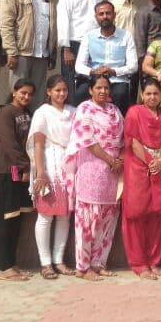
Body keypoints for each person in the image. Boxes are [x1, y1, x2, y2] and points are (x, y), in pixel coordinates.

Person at [65, 74, 125, 281]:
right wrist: (110, 160)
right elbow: (88, 141)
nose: (103, 91)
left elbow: (123, 138)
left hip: (112, 171)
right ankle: (83, 267)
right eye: (98, 87)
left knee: (107, 217)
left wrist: (119, 160)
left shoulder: (115, 111)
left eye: (106, 88)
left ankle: (99, 263)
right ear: (90, 90)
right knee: (87, 219)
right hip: (91, 166)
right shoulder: (84, 109)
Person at [28, 75, 77, 280]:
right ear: (48, 92)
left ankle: (59, 260)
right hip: (50, 163)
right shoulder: (42, 112)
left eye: (64, 90)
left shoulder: (73, 112)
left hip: (70, 165)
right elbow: (38, 144)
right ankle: (45, 263)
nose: (61, 93)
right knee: (46, 215)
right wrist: (41, 172)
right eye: (57, 90)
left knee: (65, 215)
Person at [122, 78, 161, 280]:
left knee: (157, 215)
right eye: (148, 93)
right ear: (142, 95)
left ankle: (153, 261)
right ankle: (139, 264)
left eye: (155, 93)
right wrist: (151, 162)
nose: (152, 97)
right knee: (137, 215)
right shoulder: (134, 112)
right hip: (138, 166)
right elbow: (132, 141)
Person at [0, 79, 36, 281]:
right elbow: (9, 144)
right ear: (13, 92)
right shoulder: (5, 113)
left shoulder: (28, 113)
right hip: (7, 171)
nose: (26, 97)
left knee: (16, 220)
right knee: (6, 219)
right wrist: (25, 166)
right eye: (22, 93)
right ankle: (4, 267)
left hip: (23, 172)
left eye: (29, 94)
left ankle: (12, 264)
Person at [0, 0, 55, 111]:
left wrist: (52, 53)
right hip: (21, 52)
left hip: (41, 54)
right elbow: (5, 24)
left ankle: (34, 124)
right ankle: (16, 123)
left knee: (38, 95)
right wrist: (11, 51)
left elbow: (50, 25)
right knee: (19, 94)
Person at [74, 0, 138, 111]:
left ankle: (117, 121)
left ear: (114, 15)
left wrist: (114, 71)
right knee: (80, 94)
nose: (105, 17)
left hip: (117, 80)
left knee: (120, 94)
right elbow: (79, 66)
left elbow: (133, 66)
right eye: (101, 14)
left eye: (108, 13)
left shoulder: (126, 36)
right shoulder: (89, 36)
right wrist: (93, 72)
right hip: (94, 79)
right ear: (96, 17)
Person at [57, 0, 102, 101]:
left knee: (90, 83)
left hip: (93, 46)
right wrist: (66, 49)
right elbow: (63, 22)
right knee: (70, 84)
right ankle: (71, 112)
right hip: (73, 46)